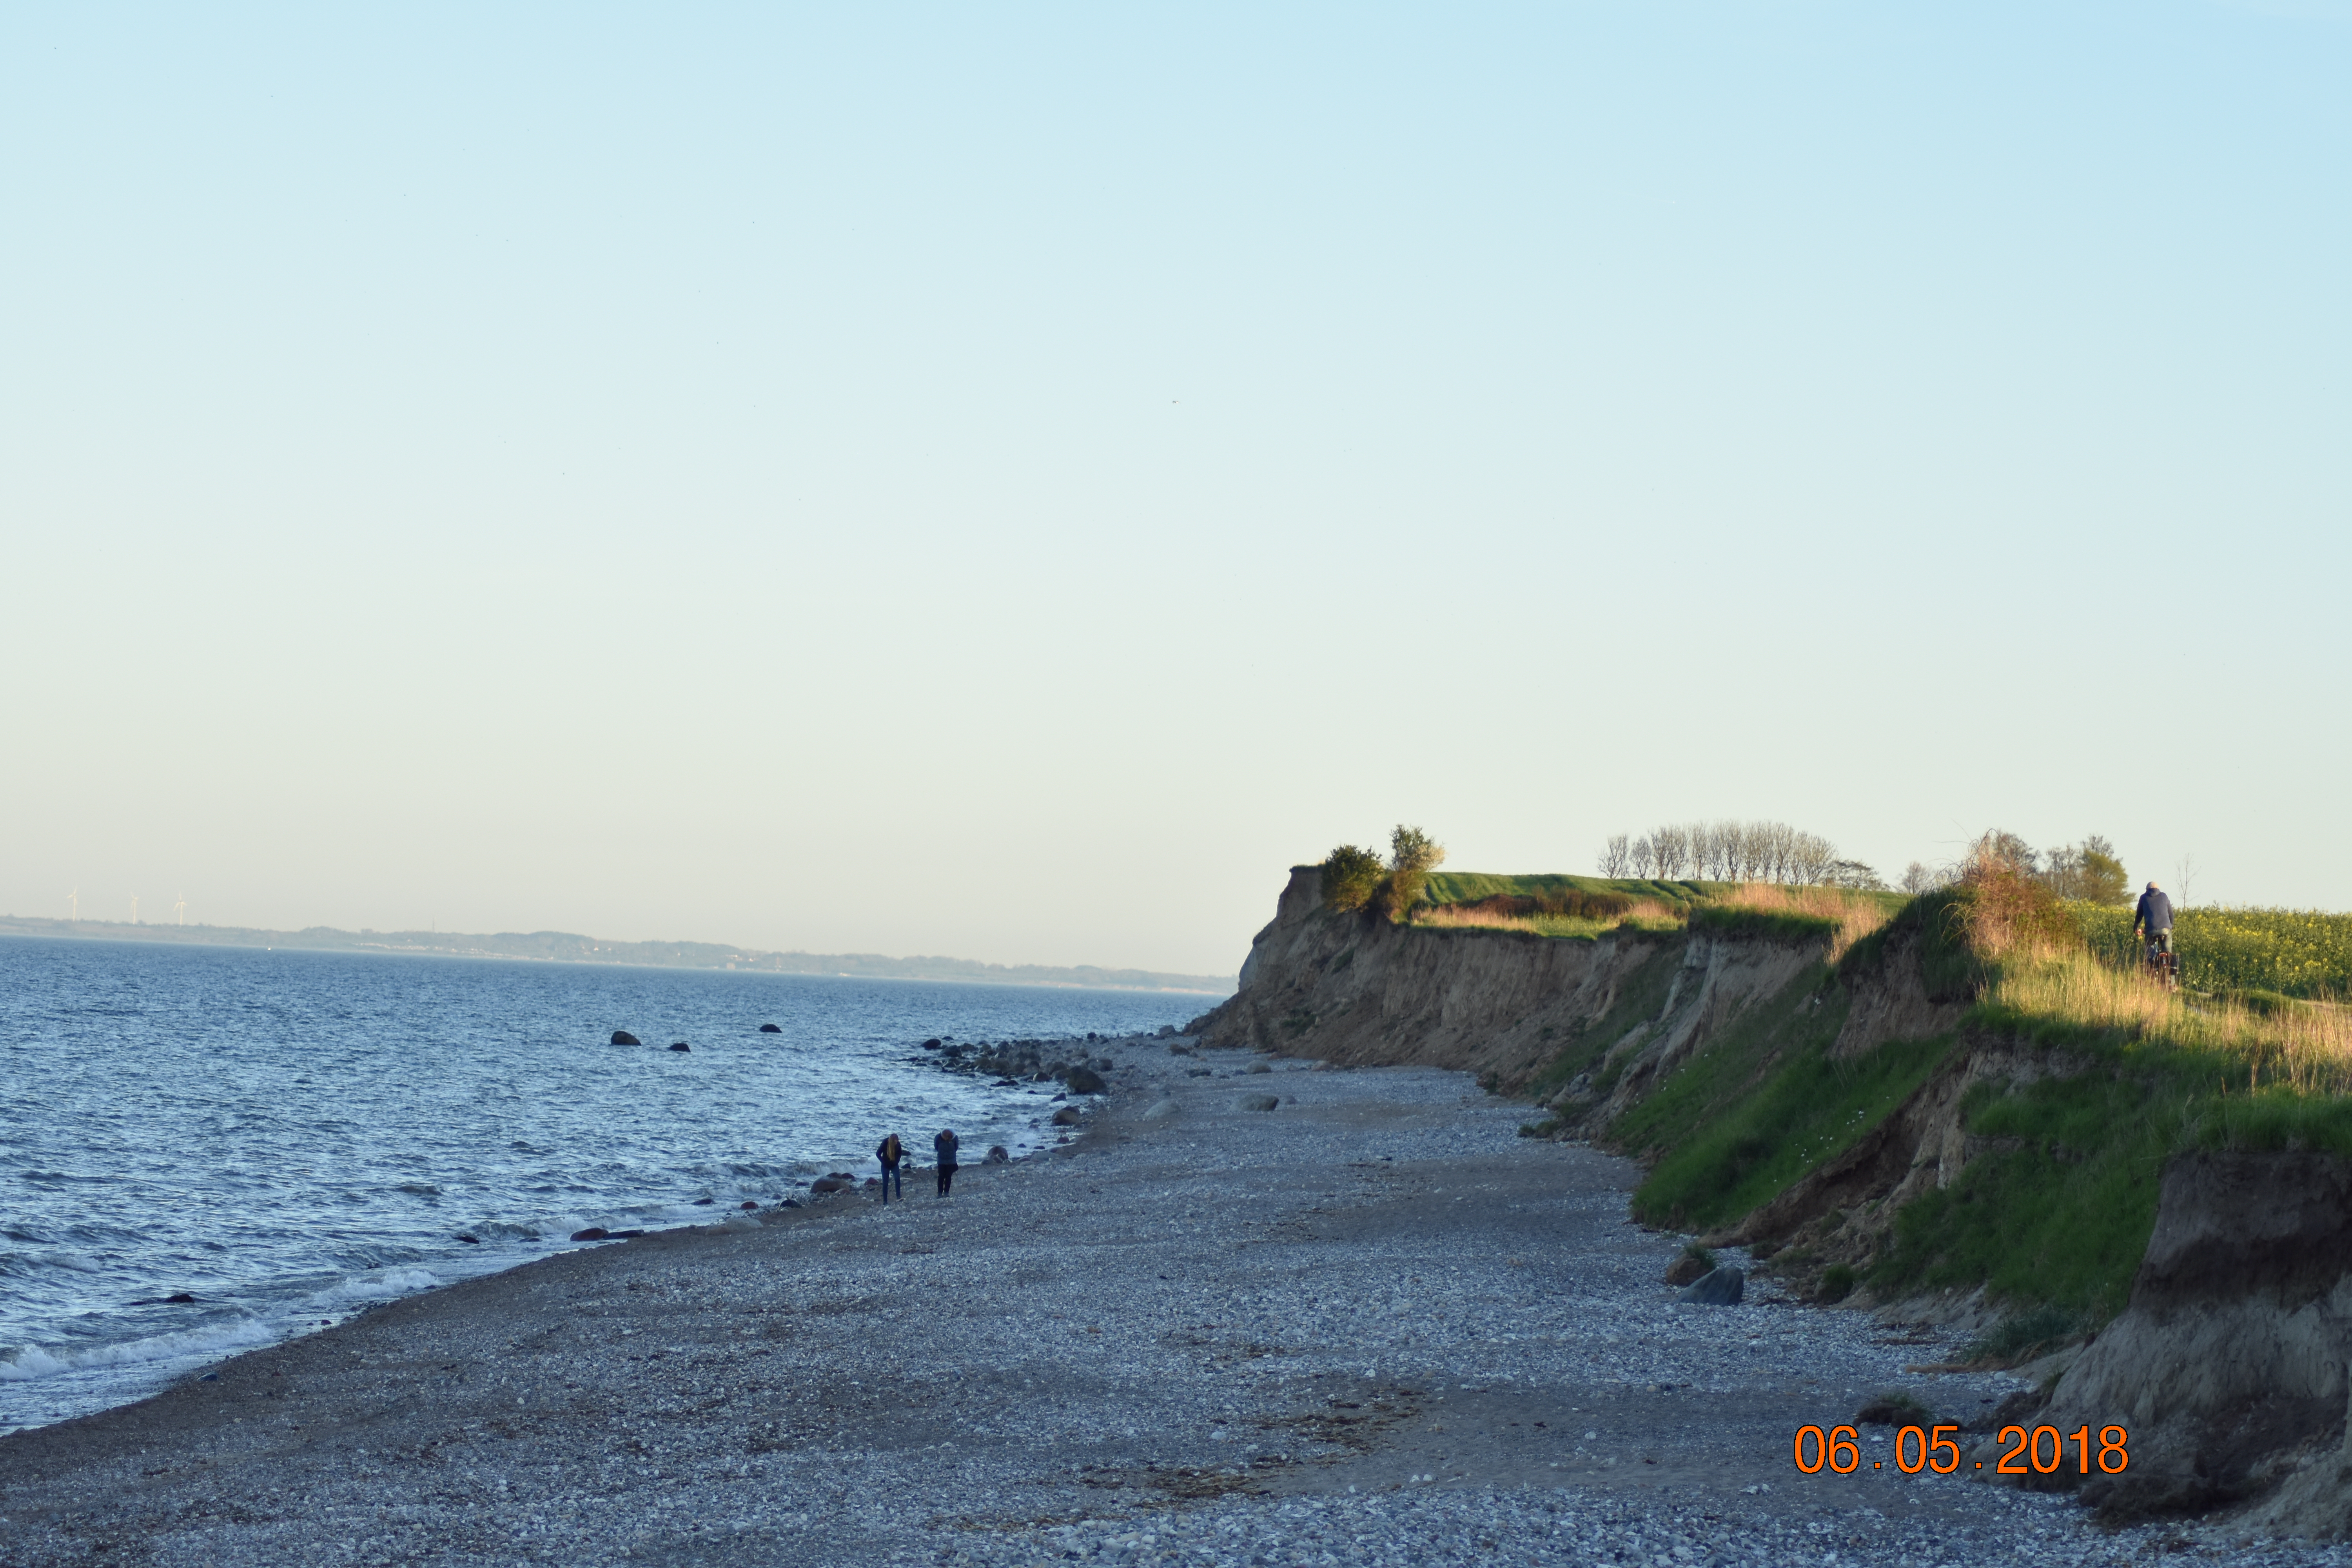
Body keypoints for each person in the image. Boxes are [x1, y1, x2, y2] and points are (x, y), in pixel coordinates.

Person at [2134, 881, 2175, 962]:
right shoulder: (2164, 896)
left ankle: (2152, 970)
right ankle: (2170, 974)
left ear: (2147, 890)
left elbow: (2139, 915)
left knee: (2151, 956)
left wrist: (2136, 928)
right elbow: (2172, 915)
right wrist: (2171, 926)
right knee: (2168, 956)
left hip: (2150, 930)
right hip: (2165, 930)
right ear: (2158, 889)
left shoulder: (2143, 898)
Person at [875, 1132, 903, 1203]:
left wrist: (897, 1162)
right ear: (892, 1141)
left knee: (897, 1179)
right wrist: (883, 1162)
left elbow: (900, 1154)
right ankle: (885, 1201)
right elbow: (878, 1153)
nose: (896, 1143)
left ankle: (899, 1197)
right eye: (895, 1142)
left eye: (897, 1142)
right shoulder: (885, 1143)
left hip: (894, 1165)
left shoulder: (898, 1145)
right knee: (885, 1182)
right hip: (885, 1166)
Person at [933, 1128, 959, 1198]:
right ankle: (939, 1193)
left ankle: (946, 1192)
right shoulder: (938, 1138)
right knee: (941, 1176)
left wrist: (951, 1155)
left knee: (949, 1176)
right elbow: (936, 1147)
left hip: (951, 1160)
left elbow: (956, 1147)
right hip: (941, 1160)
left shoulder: (955, 1138)